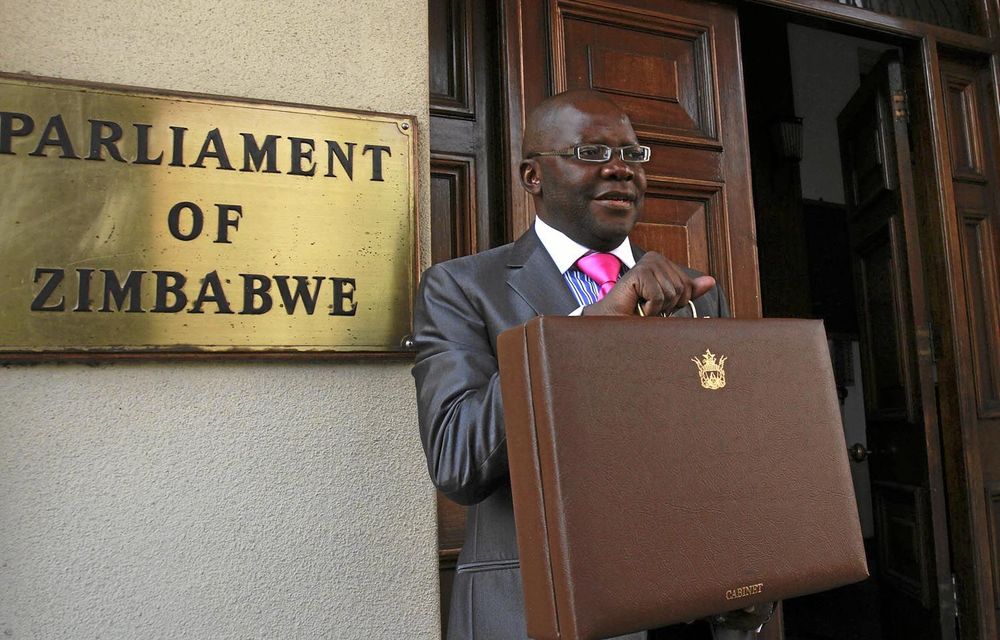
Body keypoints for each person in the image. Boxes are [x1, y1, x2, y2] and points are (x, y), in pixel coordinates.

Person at [412, 89, 773, 639]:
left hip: (683, 614)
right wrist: (586, 328)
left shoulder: (693, 294)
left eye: (632, 154)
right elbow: (458, 460)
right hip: (542, 613)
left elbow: (722, 455)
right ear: (533, 176)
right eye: (591, 154)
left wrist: (750, 573)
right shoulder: (460, 287)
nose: (621, 170)